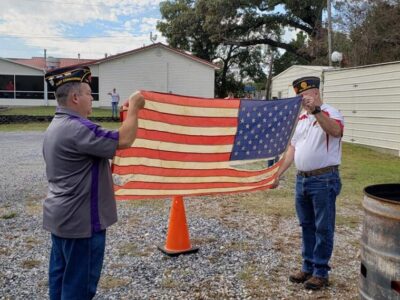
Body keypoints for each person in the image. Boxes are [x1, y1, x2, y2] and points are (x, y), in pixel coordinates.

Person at [43, 65, 145, 300]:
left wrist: (128, 114)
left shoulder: (57, 125)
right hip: (82, 224)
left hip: (61, 219)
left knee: (60, 279)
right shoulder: (78, 128)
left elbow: (105, 139)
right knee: (79, 287)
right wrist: (136, 108)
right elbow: (125, 139)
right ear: (75, 97)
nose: (92, 98)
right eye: (89, 93)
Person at [271, 76, 344, 290]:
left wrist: (316, 111)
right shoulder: (301, 119)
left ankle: (320, 271)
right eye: (299, 97)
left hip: (324, 179)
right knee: (307, 226)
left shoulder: (330, 112)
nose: (302, 100)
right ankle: (308, 266)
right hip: (302, 179)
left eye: (305, 95)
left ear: (315, 93)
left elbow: (335, 131)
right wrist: (277, 174)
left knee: (323, 227)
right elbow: (292, 150)